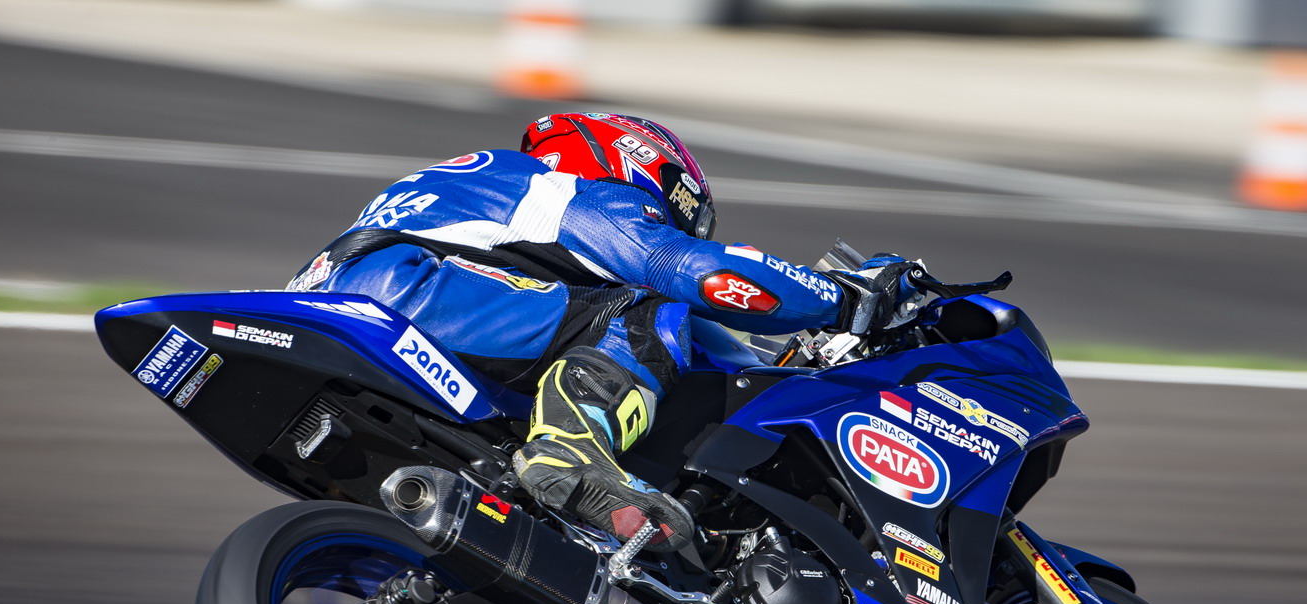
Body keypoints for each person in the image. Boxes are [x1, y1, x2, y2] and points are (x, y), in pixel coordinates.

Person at [288, 112, 916, 551]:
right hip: (403, 292)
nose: (671, 221)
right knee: (650, 312)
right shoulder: (567, 190)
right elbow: (691, 271)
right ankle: (570, 449)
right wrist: (846, 300)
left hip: (331, 305)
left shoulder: (479, 193)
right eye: (677, 208)